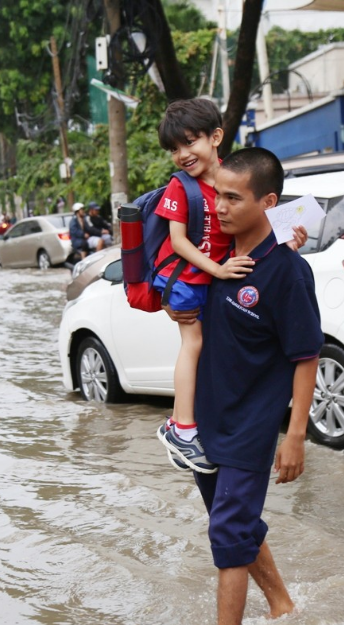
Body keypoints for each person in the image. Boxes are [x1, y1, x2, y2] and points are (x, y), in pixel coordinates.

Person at [167, 147, 323, 625]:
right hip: (207, 423)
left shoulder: (288, 272)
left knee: (228, 539)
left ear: (268, 202)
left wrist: (295, 435)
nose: (219, 206)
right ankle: (282, 605)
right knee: (234, 525)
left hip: (250, 429)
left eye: (234, 198)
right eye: (217, 195)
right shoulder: (217, 261)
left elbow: (306, 357)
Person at [152, 98, 255, 474]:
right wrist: (218, 269)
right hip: (184, 279)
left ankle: (195, 422)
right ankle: (182, 429)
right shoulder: (180, 187)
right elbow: (178, 242)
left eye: (190, 142)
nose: (182, 154)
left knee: (214, 347)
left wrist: (292, 240)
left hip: (211, 278)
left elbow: (257, 223)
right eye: (175, 148)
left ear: (215, 137)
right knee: (193, 342)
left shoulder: (235, 177)